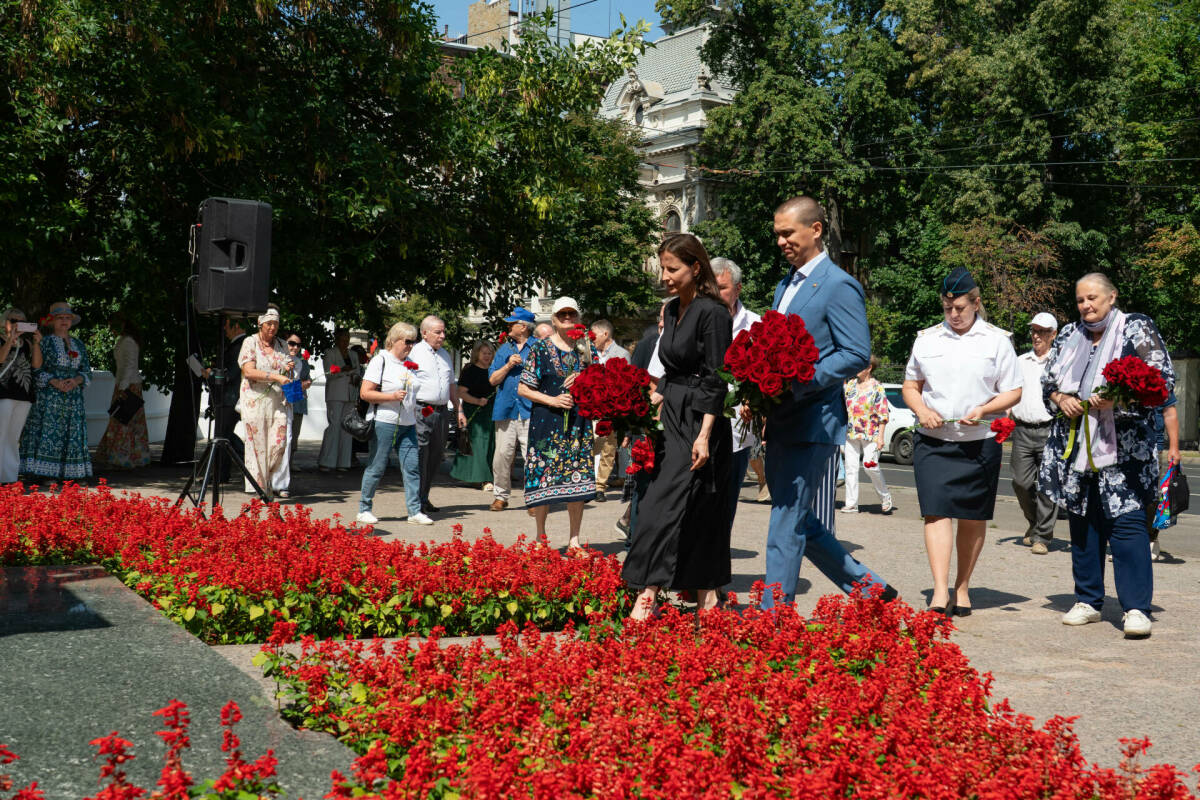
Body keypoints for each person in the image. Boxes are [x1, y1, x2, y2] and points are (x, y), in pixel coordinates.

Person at [761, 197, 896, 608]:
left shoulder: (838, 284)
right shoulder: (785, 284)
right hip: (782, 418)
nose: (781, 241)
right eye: (777, 234)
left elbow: (856, 352)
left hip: (814, 419)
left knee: (785, 518)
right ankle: (871, 590)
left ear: (816, 229)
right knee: (799, 518)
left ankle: (773, 619)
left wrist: (798, 381)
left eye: (788, 233)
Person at [1042, 273, 1174, 638]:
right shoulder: (1068, 334)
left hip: (1125, 449)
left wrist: (1120, 399)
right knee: (1083, 522)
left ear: (1112, 296)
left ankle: (1135, 608)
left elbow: (1161, 381)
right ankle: (1088, 600)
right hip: (1074, 445)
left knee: (1128, 524)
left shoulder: (1136, 328)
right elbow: (1048, 383)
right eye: (1081, 299)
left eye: (1093, 298)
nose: (1086, 305)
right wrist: (1061, 399)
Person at [623, 235, 733, 619]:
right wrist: (639, 407)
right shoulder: (670, 310)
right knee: (696, 511)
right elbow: (668, 371)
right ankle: (708, 598)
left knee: (660, 508)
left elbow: (716, 379)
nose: (665, 276)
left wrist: (704, 436)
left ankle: (646, 597)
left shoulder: (714, 313)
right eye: (663, 268)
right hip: (671, 417)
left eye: (673, 269)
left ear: (696, 267)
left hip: (702, 422)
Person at [902, 267, 1023, 616]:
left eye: (960, 308)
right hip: (934, 440)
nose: (953, 315)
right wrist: (922, 409)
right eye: (947, 308)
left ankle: (963, 585)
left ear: (976, 303)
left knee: (972, 517)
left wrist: (985, 408)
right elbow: (911, 385)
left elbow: (1014, 390)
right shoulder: (927, 339)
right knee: (935, 513)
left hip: (979, 441)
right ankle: (940, 590)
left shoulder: (997, 341)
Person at [517, 297, 598, 548]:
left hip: (578, 424)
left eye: (571, 314)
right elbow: (523, 388)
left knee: (578, 481)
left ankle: (574, 540)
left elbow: (599, 386)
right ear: (553, 319)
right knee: (544, 479)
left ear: (578, 318)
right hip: (546, 423)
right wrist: (552, 400)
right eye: (562, 315)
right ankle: (541, 538)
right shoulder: (540, 349)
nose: (567, 318)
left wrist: (584, 379)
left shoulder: (586, 349)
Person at [356, 321, 427, 525]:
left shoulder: (410, 363)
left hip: (408, 422)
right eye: (407, 341)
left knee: (412, 467)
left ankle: (414, 511)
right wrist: (392, 396)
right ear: (394, 340)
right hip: (384, 421)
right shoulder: (381, 360)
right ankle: (364, 508)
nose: (411, 345)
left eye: (414, 341)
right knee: (377, 466)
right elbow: (365, 393)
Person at [711, 257, 762, 532]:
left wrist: (754, 402)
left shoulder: (756, 326)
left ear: (738, 289)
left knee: (728, 501)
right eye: (710, 288)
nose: (716, 295)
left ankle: (717, 564)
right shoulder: (695, 321)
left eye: (722, 288)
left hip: (737, 434)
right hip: (697, 429)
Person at [20, 302, 93, 481]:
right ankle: (43, 473)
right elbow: (37, 369)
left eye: (68, 318)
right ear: (52, 321)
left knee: (71, 432)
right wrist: (55, 382)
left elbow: (87, 371)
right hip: (50, 397)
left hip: (73, 398)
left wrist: (76, 381)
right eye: (60, 318)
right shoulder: (45, 342)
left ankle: (69, 474)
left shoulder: (78, 344)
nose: (64, 321)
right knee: (48, 432)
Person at [1010, 312, 1059, 555]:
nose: (1036, 335)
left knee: (1048, 486)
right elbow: (1010, 391)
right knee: (1021, 482)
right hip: (1022, 430)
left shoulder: (1060, 362)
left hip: (1050, 429)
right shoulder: (1020, 362)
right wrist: (1004, 416)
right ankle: (1034, 522)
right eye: (1034, 331)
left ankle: (1042, 536)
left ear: (1054, 335)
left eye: (1042, 331)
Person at [236, 307, 293, 500]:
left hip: (277, 401)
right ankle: (260, 489)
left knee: (279, 443)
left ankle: (265, 480)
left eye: (276, 324)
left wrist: (289, 370)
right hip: (255, 401)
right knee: (257, 446)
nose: (273, 327)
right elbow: (249, 371)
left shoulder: (282, 345)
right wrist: (275, 376)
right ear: (260, 324)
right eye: (269, 323)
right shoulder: (250, 342)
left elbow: (287, 372)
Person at [410, 315, 460, 515]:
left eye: (443, 332)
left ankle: (424, 497)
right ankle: (415, 501)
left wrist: (459, 409)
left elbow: (451, 385)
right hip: (421, 409)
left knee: (436, 455)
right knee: (420, 454)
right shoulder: (414, 353)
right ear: (424, 333)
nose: (442, 336)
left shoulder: (445, 355)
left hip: (441, 411)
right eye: (438, 332)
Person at [488, 307, 536, 511]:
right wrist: (507, 366)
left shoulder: (539, 347)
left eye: (512, 323)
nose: (508, 326)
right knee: (501, 455)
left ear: (523, 327)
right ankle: (500, 496)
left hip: (531, 409)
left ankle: (534, 498)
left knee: (532, 456)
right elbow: (492, 380)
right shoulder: (504, 350)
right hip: (506, 409)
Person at [94, 316, 151, 470]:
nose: (111, 328)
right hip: (125, 385)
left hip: (128, 386)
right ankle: (125, 457)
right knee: (124, 421)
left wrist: (123, 387)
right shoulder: (125, 339)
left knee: (123, 421)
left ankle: (122, 459)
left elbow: (130, 365)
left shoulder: (128, 341)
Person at [841, 356, 894, 515]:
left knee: (869, 465)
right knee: (850, 468)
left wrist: (881, 437)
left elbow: (883, 413)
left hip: (871, 433)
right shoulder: (850, 385)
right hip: (851, 432)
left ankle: (885, 497)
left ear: (869, 368)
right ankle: (851, 504)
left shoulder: (877, 388)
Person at [0, 308, 42, 484]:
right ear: (5, 321)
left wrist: (37, 343)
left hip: (23, 395)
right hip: (3, 393)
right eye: (12, 320)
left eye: (20, 320)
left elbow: (36, 365)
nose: (16, 323)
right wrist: (10, 339)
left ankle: (9, 478)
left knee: (12, 437)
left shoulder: (26, 343)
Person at [590, 319, 630, 502]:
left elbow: (626, 383)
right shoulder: (588, 353)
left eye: (594, 334)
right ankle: (586, 482)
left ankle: (599, 487)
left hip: (612, 409)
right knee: (590, 443)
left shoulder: (622, 354)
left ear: (605, 334)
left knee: (608, 448)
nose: (591, 338)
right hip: (590, 408)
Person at [450, 340, 496, 487]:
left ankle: (485, 476)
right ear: (477, 354)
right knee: (477, 444)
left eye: (489, 353)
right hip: (474, 412)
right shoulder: (469, 370)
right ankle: (483, 479)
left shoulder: (495, 370)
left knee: (490, 444)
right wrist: (477, 401)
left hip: (491, 412)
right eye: (484, 353)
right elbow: (461, 392)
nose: (487, 356)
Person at [318, 328, 360, 472]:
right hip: (335, 393)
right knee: (334, 426)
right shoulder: (330, 353)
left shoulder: (353, 354)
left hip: (350, 393)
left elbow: (358, 372)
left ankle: (343, 462)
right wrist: (344, 370)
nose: (345, 342)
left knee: (346, 427)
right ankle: (327, 461)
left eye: (347, 339)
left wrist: (355, 377)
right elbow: (329, 373)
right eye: (342, 339)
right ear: (336, 339)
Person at [1147, 391, 1179, 561]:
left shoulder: (1158, 371)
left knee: (1152, 495)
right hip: (1121, 444)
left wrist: (1174, 446)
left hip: (1153, 443)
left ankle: (1151, 538)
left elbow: (1169, 410)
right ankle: (1127, 543)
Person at [283, 333, 313, 470]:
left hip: (295, 403)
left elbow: (304, 380)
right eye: (291, 343)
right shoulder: (279, 359)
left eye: (298, 345)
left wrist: (305, 384)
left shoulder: (301, 363)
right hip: (279, 403)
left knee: (292, 435)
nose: (295, 347)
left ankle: (289, 463)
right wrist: (299, 386)